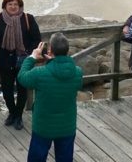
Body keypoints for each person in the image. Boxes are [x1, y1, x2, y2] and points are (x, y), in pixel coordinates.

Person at [18, 33, 83, 162]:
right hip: (67, 126)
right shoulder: (77, 72)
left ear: (50, 50)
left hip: (43, 126)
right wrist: (52, 62)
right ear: (67, 50)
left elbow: (22, 77)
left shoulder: (40, 73)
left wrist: (32, 57)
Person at [0, 0, 41, 130]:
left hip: (23, 59)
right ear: (5, 5)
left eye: (15, 4)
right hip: (5, 58)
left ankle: (18, 116)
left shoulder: (28, 18)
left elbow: (36, 39)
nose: (12, 7)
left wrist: (28, 52)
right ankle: (12, 112)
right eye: (9, 4)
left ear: (20, 5)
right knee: (6, 89)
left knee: (22, 88)